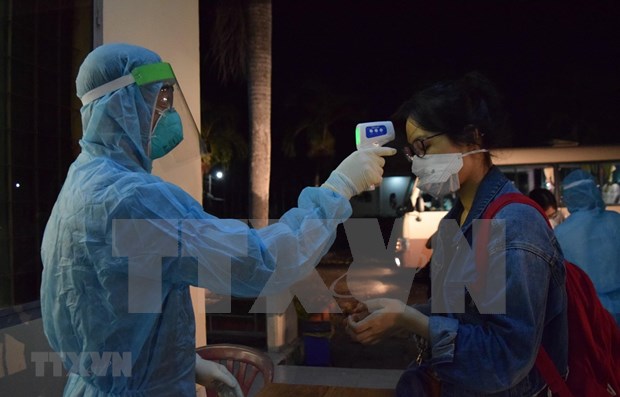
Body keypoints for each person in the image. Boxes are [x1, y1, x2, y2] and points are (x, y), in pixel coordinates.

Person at [40, 43, 395, 396]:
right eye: (160, 99)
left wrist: (187, 363)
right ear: (122, 105)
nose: (168, 112)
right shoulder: (136, 199)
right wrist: (339, 187)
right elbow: (263, 263)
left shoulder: (81, 182)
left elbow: (110, 311)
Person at [346, 72, 568, 396]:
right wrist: (393, 311)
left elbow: (504, 359)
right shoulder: (453, 223)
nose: (416, 163)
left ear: (472, 138)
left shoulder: (515, 225)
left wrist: (409, 319)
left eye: (424, 146)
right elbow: (453, 312)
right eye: (412, 152)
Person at [554, 169, 620, 324]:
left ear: (568, 197)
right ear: (594, 191)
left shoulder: (560, 233)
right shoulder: (615, 221)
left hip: (586, 313)